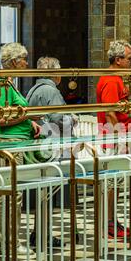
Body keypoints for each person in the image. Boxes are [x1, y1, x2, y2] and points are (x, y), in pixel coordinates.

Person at [0, 42, 41, 255]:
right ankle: (7, 242)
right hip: (9, 144)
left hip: (17, 142)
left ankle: (7, 240)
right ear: (13, 62)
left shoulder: (9, 83)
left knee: (12, 194)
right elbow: (2, 119)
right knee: (8, 195)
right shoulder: (2, 83)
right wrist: (27, 116)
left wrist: (30, 123)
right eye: (23, 59)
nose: (26, 63)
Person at [26, 56, 78, 247]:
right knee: (47, 193)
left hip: (38, 145)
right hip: (49, 146)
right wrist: (72, 119)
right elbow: (59, 118)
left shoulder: (34, 89)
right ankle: (42, 234)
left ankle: (38, 232)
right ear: (54, 73)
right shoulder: (50, 90)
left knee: (43, 192)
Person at [97, 40, 131, 239]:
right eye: (129, 58)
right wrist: (122, 138)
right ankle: (108, 222)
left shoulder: (117, 79)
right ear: (118, 60)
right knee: (112, 182)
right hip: (113, 137)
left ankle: (112, 220)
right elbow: (111, 112)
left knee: (117, 182)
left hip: (118, 135)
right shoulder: (111, 80)